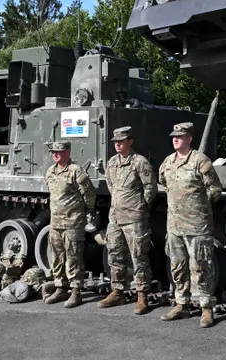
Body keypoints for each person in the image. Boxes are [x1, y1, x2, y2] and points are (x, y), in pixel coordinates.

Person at [158, 122, 222, 328]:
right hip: (175, 225)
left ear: (189, 138)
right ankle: (181, 304)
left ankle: (206, 308)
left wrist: (198, 207)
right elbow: (164, 183)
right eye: (173, 136)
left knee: (201, 268)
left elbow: (215, 190)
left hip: (196, 225)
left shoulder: (200, 161)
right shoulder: (168, 162)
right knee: (177, 267)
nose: (175, 138)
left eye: (180, 136)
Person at [98, 126, 158, 315]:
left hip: (134, 219)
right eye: (115, 142)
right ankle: (118, 292)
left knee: (138, 257)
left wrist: (140, 207)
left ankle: (142, 295)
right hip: (115, 217)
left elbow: (151, 188)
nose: (117, 144)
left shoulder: (140, 162)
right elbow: (110, 185)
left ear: (130, 142)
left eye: (121, 141)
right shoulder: (112, 162)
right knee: (115, 254)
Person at [43, 140, 97, 308]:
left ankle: (75, 292)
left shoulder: (76, 171)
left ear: (68, 152)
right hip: (56, 223)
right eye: (53, 152)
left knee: (73, 258)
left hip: (73, 222)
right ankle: (60, 288)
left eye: (59, 151)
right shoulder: (51, 171)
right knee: (57, 258)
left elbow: (89, 195)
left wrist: (85, 211)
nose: (55, 154)